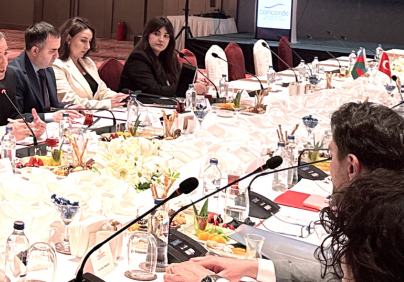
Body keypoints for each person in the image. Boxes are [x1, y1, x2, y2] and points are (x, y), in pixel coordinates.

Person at [164, 100, 404, 282]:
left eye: (330, 156)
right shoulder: (386, 210)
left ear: (352, 166)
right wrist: (256, 267)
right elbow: (342, 272)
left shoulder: (386, 230)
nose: (329, 167)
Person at [118, 16, 206, 97]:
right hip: (135, 105)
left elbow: (177, 83)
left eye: (166, 36)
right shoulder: (138, 58)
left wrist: (193, 85)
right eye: (157, 34)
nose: (161, 39)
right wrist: (189, 88)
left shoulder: (168, 56)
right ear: (147, 35)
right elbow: (154, 91)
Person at [52, 17, 128, 109]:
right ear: (68, 39)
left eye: (90, 41)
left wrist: (118, 98)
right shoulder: (56, 65)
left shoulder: (87, 62)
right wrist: (105, 104)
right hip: (73, 115)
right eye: (83, 41)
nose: (88, 46)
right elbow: (68, 100)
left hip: (93, 113)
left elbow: (101, 91)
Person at [9, 22, 72, 123]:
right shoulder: (14, 73)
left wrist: (69, 108)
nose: (57, 56)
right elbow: (16, 116)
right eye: (52, 51)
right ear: (35, 51)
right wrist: (51, 117)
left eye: (57, 50)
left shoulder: (48, 68)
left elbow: (51, 106)